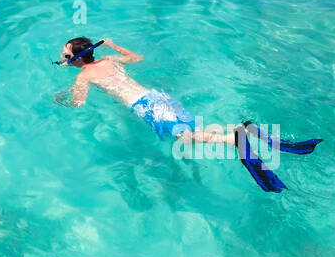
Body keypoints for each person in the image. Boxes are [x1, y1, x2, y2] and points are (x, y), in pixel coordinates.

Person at [57, 36, 321, 192]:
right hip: (159, 98)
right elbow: (137, 58)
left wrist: (62, 101)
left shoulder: (84, 75)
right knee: (190, 131)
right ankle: (242, 130)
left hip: (147, 109)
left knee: (186, 137)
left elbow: (78, 104)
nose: (62, 56)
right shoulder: (108, 60)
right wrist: (114, 46)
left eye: (66, 53)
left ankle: (234, 138)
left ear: (78, 58)